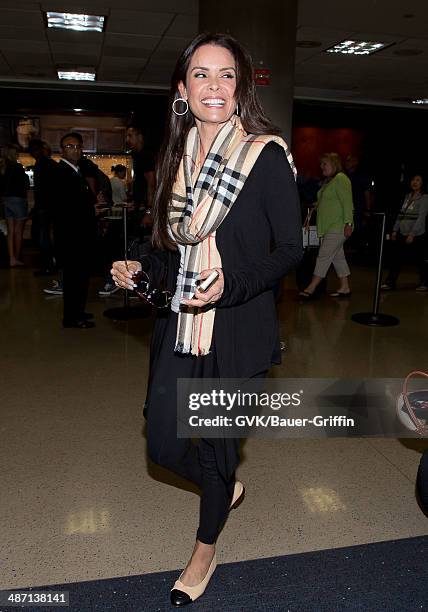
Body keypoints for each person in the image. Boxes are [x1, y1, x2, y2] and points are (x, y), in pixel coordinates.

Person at [112, 33, 302, 606]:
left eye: (225, 75)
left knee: (217, 448)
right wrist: (138, 265)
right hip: (180, 321)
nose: (213, 86)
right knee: (165, 444)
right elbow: (173, 247)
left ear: (239, 86)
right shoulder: (177, 159)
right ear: (182, 89)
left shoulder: (265, 155)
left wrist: (234, 284)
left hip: (239, 327)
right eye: (201, 74)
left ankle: (204, 548)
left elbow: (290, 247)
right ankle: (224, 486)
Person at [53, 132, 97, 328]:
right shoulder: (61, 172)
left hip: (79, 235)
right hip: (72, 237)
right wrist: (91, 208)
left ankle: (78, 311)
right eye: (70, 146)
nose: (75, 150)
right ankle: (72, 318)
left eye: (78, 146)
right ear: (62, 149)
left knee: (80, 277)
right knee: (74, 279)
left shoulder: (75, 170)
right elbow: (66, 207)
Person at [299, 152, 354, 299]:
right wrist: (316, 205)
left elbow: (347, 203)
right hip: (327, 226)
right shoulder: (330, 181)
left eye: (325, 164)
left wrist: (348, 223)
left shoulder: (341, 179)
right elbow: (327, 200)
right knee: (338, 257)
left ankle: (311, 288)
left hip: (338, 226)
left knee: (323, 256)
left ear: (334, 164)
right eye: (321, 164)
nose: (321, 167)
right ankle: (345, 287)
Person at [381, 175, 428, 291]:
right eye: (413, 179)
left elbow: (421, 217)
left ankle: (425, 282)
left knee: (420, 260)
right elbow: (401, 214)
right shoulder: (408, 196)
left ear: (423, 183)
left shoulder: (424, 198)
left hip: (417, 234)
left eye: (418, 180)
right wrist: (395, 230)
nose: (414, 182)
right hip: (402, 232)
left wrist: (412, 234)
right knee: (397, 258)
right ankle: (390, 282)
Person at [28, 139, 58, 275]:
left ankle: (48, 266)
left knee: (41, 237)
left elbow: (40, 189)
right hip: (50, 206)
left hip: (44, 207)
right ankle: (50, 265)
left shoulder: (41, 164)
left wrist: (36, 207)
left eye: (34, 150)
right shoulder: (50, 163)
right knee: (46, 236)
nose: (33, 153)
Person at [0, 144, 30, 267]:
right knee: (18, 232)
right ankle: (17, 258)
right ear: (14, 154)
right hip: (18, 200)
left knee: (10, 231)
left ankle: (11, 258)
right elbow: (25, 185)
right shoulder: (18, 167)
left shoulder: (2, 167)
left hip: (6, 200)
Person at [125, 124, 155, 227]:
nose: (127, 140)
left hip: (145, 211)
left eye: (130, 136)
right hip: (140, 208)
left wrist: (149, 211)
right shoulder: (137, 156)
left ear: (140, 137)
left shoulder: (145, 155)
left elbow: (151, 184)